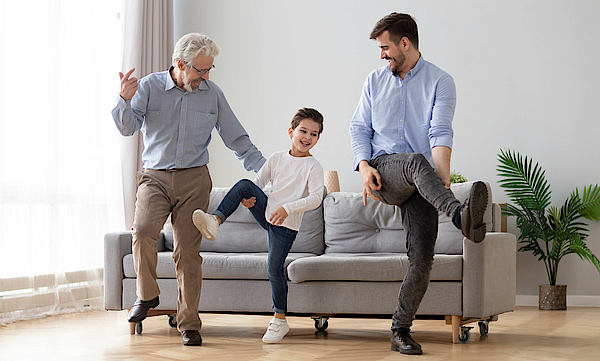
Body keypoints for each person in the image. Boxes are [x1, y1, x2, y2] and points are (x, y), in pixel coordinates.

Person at [111, 33, 266, 346]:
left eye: (210, 70)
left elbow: (237, 138)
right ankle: (147, 295)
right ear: (180, 64)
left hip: (194, 179)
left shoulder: (212, 94)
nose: (206, 76)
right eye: (200, 70)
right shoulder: (150, 88)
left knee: (188, 252)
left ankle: (189, 323)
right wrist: (124, 99)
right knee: (142, 231)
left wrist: (267, 173)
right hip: (154, 176)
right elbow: (127, 128)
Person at [349, 13, 488, 355]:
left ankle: (400, 330)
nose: (382, 55)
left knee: (423, 259)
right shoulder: (374, 81)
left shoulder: (441, 81)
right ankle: (459, 215)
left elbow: (440, 131)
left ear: (405, 44)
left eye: (385, 48)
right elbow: (359, 128)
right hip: (384, 172)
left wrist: (442, 177)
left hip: (421, 179)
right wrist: (364, 167)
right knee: (413, 160)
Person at [192, 107, 324, 343]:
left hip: (285, 224)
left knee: (274, 269)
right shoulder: (276, 158)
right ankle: (216, 220)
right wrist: (247, 199)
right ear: (291, 131)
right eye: (303, 131)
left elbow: (316, 198)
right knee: (244, 184)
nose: (307, 137)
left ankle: (280, 320)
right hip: (267, 212)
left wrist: (288, 208)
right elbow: (257, 182)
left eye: (314, 134)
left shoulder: (313, 166)